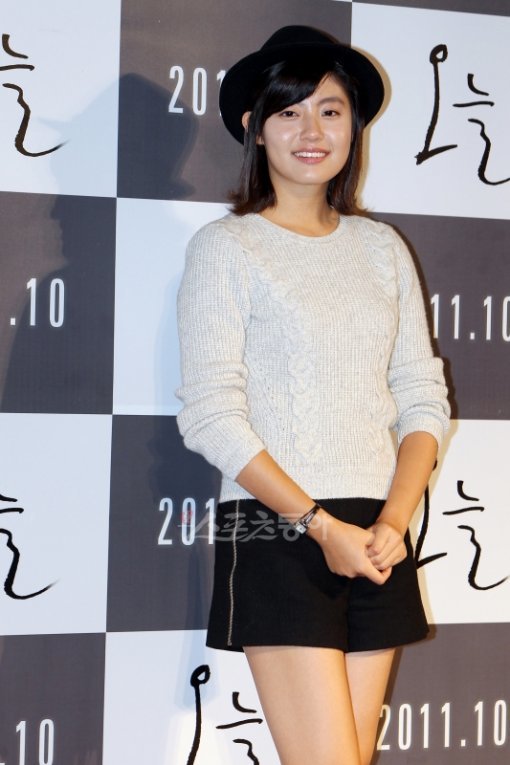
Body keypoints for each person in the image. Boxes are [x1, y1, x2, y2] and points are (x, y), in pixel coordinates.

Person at [176, 25, 450, 765]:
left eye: (330, 111)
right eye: (289, 112)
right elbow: (210, 414)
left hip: (378, 534)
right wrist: (319, 526)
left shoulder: (382, 247)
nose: (311, 131)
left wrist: (394, 520)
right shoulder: (227, 248)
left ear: (353, 127)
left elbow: (422, 396)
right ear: (254, 127)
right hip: (279, 527)